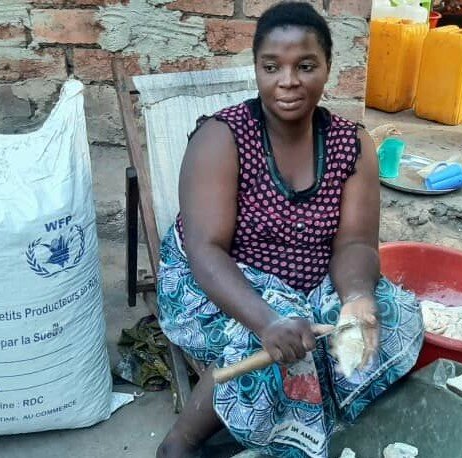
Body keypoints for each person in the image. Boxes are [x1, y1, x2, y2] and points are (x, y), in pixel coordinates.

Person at [155, 2, 425, 457]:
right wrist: (267, 320)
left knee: (393, 313)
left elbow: (356, 242)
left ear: (327, 68)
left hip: (313, 276)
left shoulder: (350, 143)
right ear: (256, 69)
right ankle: (181, 442)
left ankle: (327, 423)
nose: (288, 81)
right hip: (216, 280)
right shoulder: (222, 138)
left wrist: (357, 298)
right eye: (271, 66)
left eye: (305, 65)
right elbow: (206, 250)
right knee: (279, 333)